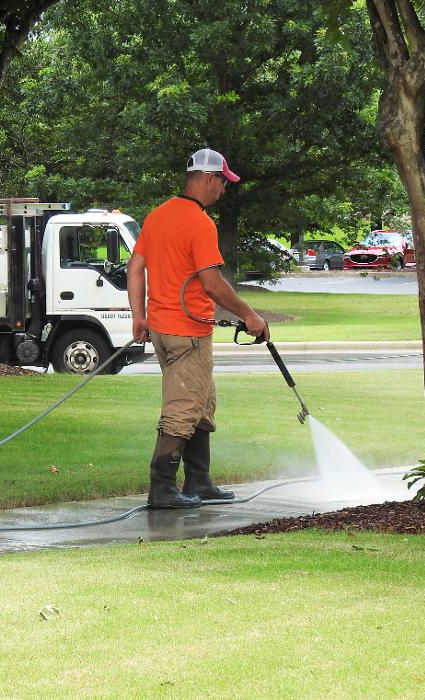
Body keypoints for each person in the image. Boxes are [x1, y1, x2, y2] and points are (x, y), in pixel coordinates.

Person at [128, 148, 269, 509]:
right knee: (182, 409)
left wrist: (138, 316)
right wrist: (250, 316)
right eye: (223, 182)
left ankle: (199, 481)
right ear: (208, 179)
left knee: (203, 401)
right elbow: (212, 282)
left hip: (162, 330)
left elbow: (135, 267)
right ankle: (162, 488)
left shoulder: (157, 216)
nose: (224, 189)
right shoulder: (200, 222)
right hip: (186, 333)